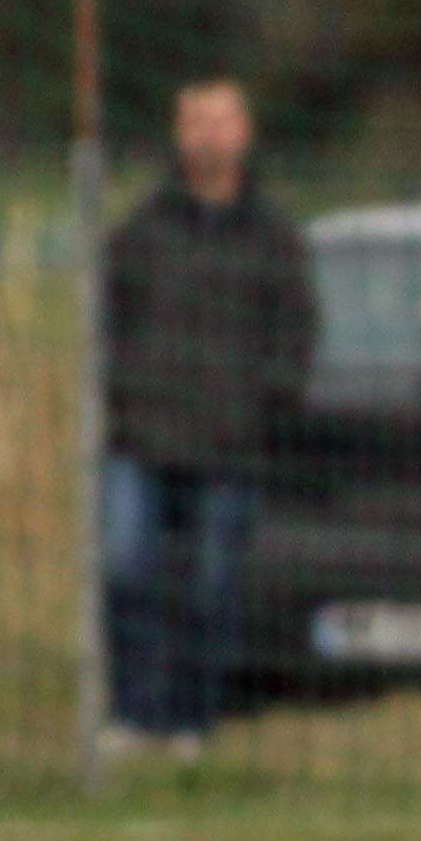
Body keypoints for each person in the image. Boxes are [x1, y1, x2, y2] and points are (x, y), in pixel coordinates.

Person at [102, 77, 310, 752]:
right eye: (195, 121)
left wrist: (264, 405)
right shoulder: (141, 228)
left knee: (212, 588)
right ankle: (134, 716)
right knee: (126, 569)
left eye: (221, 121)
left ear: (244, 131)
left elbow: (295, 332)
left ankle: (193, 722)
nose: (208, 135)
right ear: (176, 130)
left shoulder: (274, 234)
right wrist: (124, 398)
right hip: (141, 440)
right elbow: (108, 325)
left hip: (231, 446)